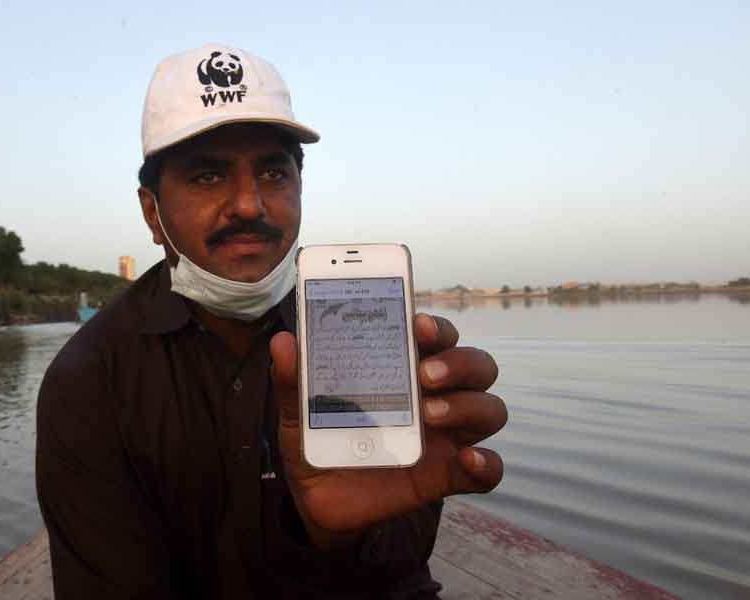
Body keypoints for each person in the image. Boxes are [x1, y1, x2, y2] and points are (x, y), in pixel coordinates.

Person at [35, 43, 507, 599]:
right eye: (208, 176)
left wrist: (337, 535)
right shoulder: (89, 382)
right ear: (151, 213)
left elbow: (400, 573)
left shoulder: (362, 341)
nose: (249, 204)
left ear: (299, 188)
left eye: (272, 172)